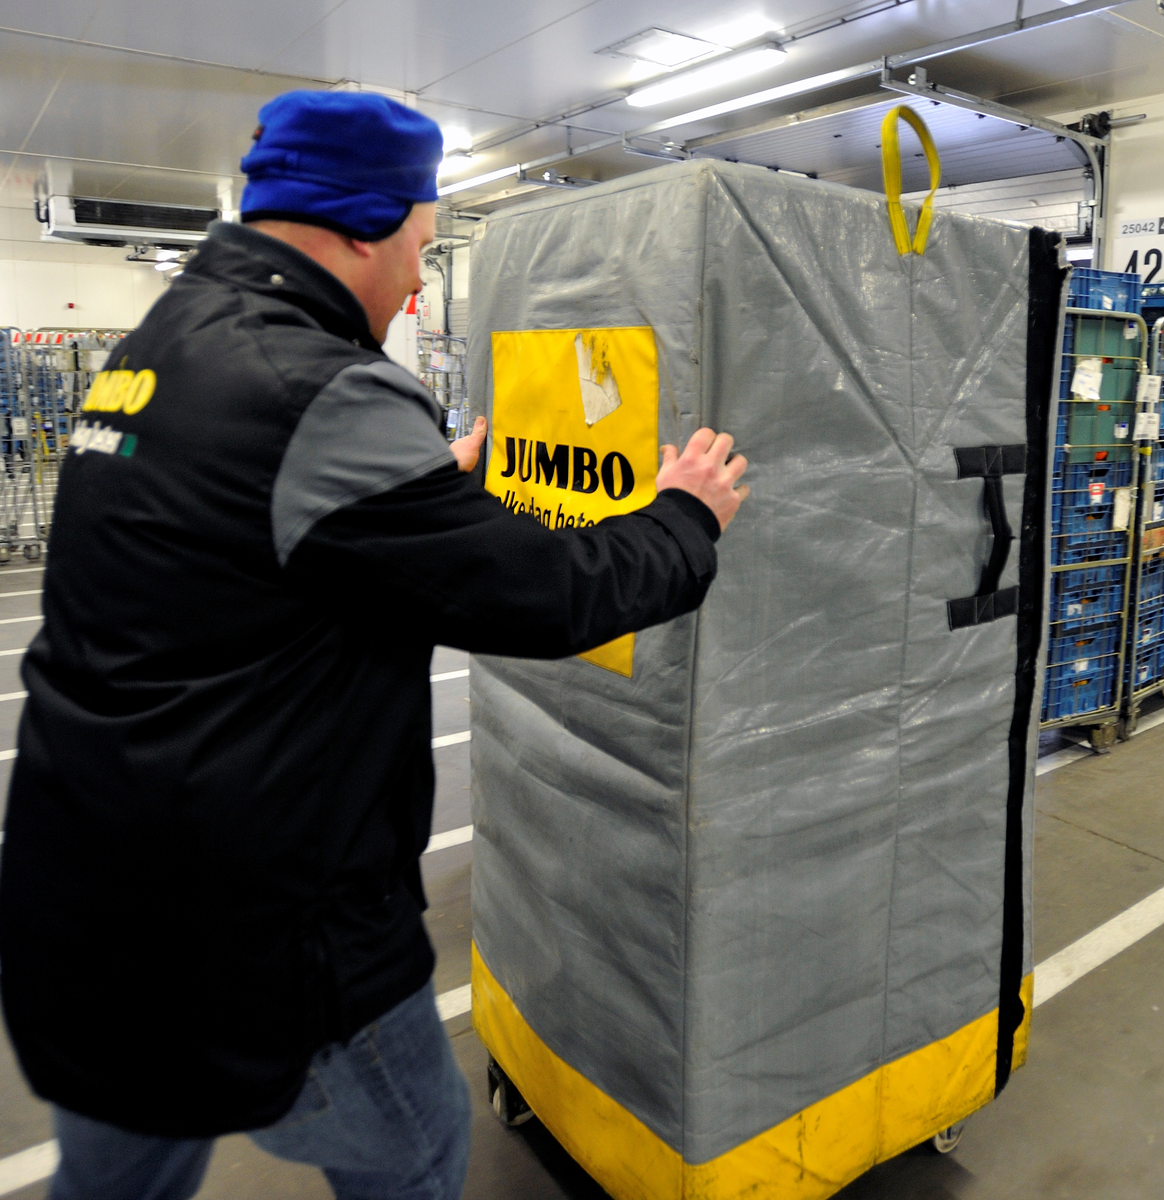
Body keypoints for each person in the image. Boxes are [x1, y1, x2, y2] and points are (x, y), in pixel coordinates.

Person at [0, 90, 748, 1200]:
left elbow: (241, 532)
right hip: (261, 928)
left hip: (87, 889)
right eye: (419, 244)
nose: (415, 282)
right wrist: (684, 515)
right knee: (418, 1155)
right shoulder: (325, 389)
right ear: (362, 226)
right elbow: (540, 595)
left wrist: (407, 498)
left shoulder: (163, 342)